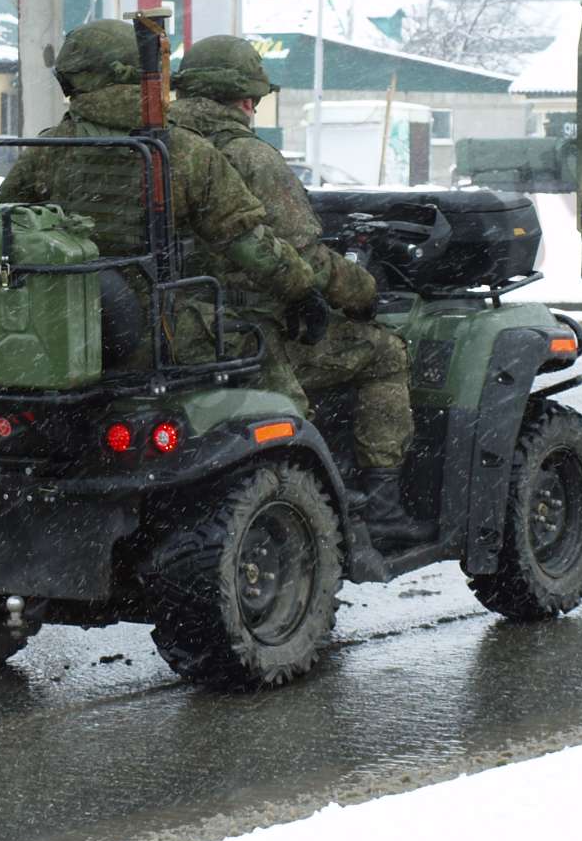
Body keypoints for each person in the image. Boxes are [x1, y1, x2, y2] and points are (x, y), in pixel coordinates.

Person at [169, 35, 430, 550]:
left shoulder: (152, 144)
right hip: (244, 334)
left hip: (164, 330)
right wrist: (363, 292)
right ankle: (380, 507)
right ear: (247, 99)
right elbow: (304, 259)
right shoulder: (248, 157)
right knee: (383, 352)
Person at [0, 19, 323, 381]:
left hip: (56, 328)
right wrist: (302, 292)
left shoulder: (50, 147)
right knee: (266, 359)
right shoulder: (181, 149)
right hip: (155, 333)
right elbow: (246, 242)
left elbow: (2, 228)